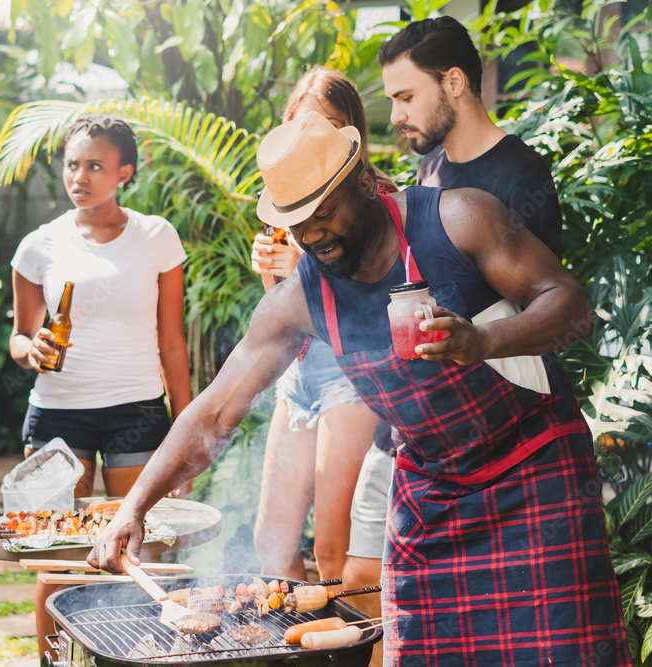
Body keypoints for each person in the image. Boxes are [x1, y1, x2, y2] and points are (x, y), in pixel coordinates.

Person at [89, 111, 630, 665]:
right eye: (298, 223)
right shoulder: (298, 300)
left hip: (535, 472)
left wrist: (482, 340)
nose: (313, 234)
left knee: (564, 652)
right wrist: (133, 506)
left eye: (323, 212)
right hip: (433, 492)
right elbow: (215, 412)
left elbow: (571, 304)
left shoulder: (460, 217)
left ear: (366, 184)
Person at [9, 113, 191, 662]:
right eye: (71, 164)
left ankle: (134, 655)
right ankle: (53, 662)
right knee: (57, 556)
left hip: (137, 409)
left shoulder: (156, 237)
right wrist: (30, 350)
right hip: (57, 414)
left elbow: (173, 343)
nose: (80, 176)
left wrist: (186, 436)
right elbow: (18, 339)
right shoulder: (39, 245)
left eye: (95, 165)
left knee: (140, 550)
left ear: (124, 172)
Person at [250, 68, 388, 659]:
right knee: (272, 546)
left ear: (351, 134)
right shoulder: (287, 200)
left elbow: (375, 297)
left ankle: (360, 653)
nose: (311, 137)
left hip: (349, 379)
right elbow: (280, 323)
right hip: (299, 376)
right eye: (298, 125)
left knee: (335, 556)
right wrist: (272, 276)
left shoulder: (371, 200)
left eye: (326, 126)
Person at [380, 15, 563, 256]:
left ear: (454, 83)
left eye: (407, 98)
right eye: (392, 101)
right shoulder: (429, 166)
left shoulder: (522, 176)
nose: (396, 117)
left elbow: (548, 291)